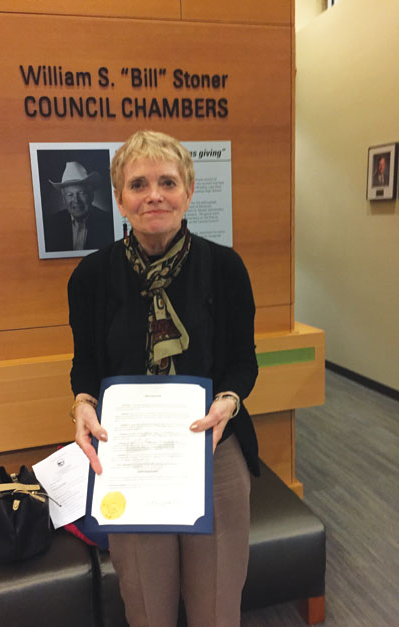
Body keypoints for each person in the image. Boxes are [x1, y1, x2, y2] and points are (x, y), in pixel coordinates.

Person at [68, 130, 259, 627]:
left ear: (189, 192)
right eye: (138, 184)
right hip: (131, 458)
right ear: (119, 199)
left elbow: (244, 361)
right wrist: (83, 405)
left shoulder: (226, 268)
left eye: (167, 181)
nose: (154, 194)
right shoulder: (89, 277)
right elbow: (85, 364)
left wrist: (230, 401)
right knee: (147, 605)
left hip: (212, 450)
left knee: (217, 606)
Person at [44, 161, 114, 252]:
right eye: (70, 195)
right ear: (64, 198)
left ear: (91, 195)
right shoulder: (51, 224)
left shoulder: (109, 222)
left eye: (82, 193)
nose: (76, 200)